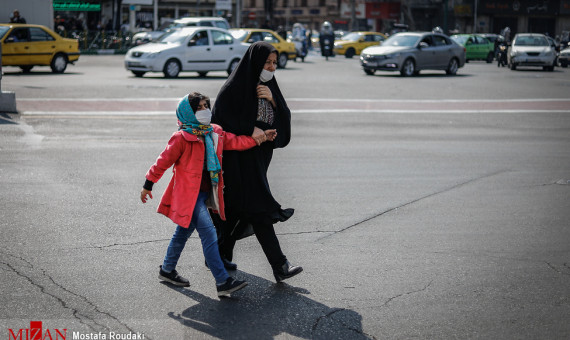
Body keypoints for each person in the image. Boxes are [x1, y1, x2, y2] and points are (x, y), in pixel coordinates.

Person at [140, 92, 276, 297]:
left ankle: (167, 270)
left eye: (206, 105)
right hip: (189, 196)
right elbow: (163, 161)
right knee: (209, 234)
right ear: (189, 112)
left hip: (206, 193)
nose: (205, 110)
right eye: (200, 107)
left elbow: (236, 142)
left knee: (182, 233)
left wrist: (262, 138)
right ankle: (223, 281)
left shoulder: (214, 133)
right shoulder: (182, 137)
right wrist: (148, 184)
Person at [211, 42, 303, 283]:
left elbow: (284, 121)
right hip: (238, 160)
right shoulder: (235, 87)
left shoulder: (269, 86)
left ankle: (220, 255)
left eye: (274, 63)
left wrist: (273, 101)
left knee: (234, 209)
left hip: (259, 159)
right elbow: (219, 124)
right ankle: (280, 264)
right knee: (259, 208)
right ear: (255, 63)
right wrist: (248, 130)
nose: (271, 67)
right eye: (267, 63)